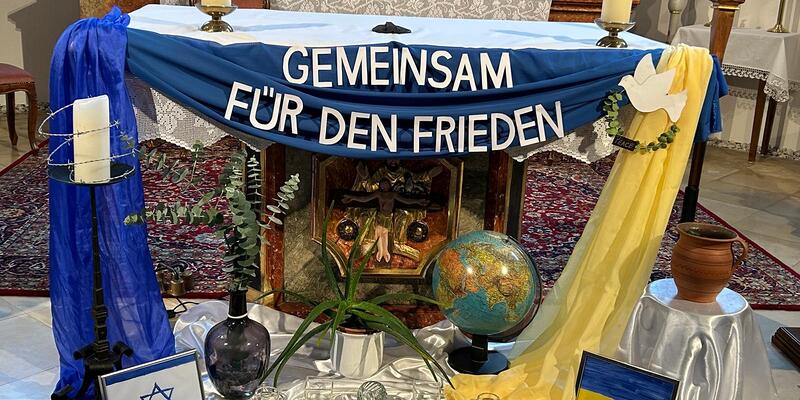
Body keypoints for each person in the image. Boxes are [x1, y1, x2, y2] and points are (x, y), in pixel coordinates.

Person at [343, 179, 428, 263]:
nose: (385, 186)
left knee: (385, 233)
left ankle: (385, 252)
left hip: (388, 217)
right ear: (380, 186)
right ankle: (380, 251)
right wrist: (352, 197)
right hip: (380, 216)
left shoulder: (393, 194)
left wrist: (418, 201)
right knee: (379, 232)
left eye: (386, 184)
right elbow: (364, 199)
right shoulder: (378, 194)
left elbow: (407, 201)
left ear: (389, 185)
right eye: (383, 184)